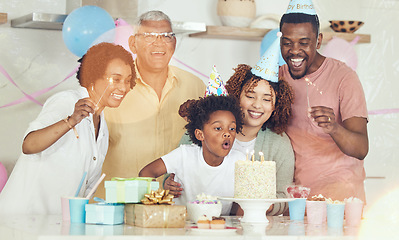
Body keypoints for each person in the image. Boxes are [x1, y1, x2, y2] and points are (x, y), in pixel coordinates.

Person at [0, 42, 136, 215]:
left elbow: (84, 188)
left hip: (55, 225)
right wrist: (71, 121)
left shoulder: (102, 126)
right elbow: (29, 145)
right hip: (22, 219)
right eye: (115, 79)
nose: (123, 87)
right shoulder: (66, 101)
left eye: (127, 80)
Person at [96, 10, 205, 199]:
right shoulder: (110, 88)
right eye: (149, 36)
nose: (159, 43)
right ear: (133, 44)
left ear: (174, 44)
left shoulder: (195, 86)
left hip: (175, 206)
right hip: (119, 204)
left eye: (166, 36)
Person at [279, 0, 368, 202]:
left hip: (339, 199)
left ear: (318, 41)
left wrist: (334, 128)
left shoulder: (344, 77)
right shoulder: (277, 78)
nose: (294, 51)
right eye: (287, 43)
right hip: (296, 199)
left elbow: (361, 148)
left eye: (304, 42)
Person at [139, 95, 245, 215]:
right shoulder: (184, 155)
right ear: (200, 135)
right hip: (181, 227)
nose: (227, 133)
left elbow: (244, 201)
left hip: (220, 228)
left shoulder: (239, 160)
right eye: (218, 128)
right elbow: (146, 172)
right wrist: (157, 202)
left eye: (232, 128)